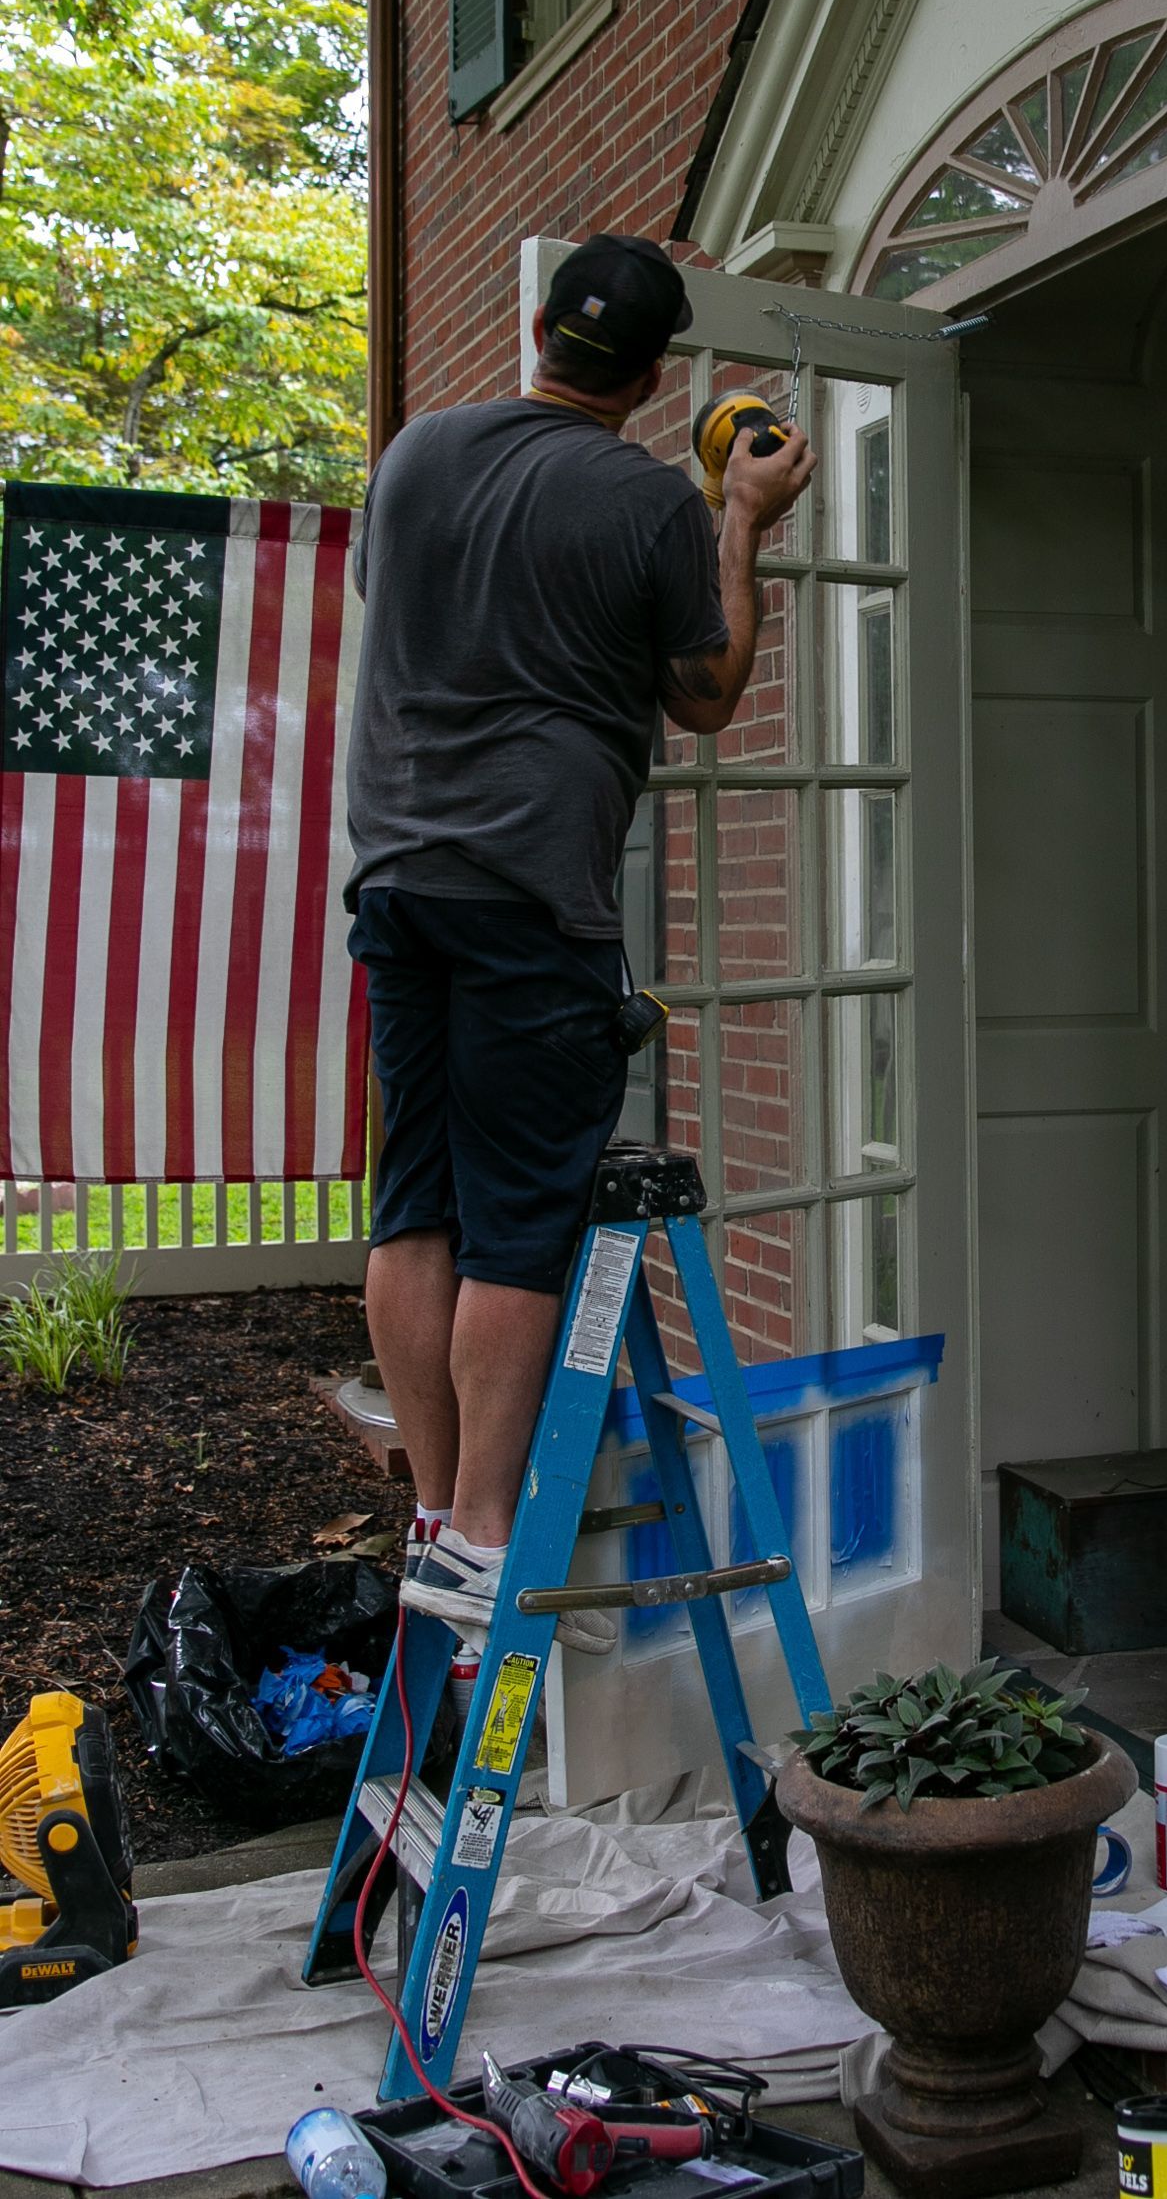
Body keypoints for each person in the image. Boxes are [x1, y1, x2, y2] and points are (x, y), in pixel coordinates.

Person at [343, 234, 815, 1646]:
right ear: (656, 374)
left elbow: (407, 600)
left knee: (413, 1201)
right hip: (532, 897)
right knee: (517, 1230)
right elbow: (711, 692)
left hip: (399, 879)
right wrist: (740, 517)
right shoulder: (647, 500)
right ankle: (487, 1532)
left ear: (540, 323)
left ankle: (433, 1514)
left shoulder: (417, 454)